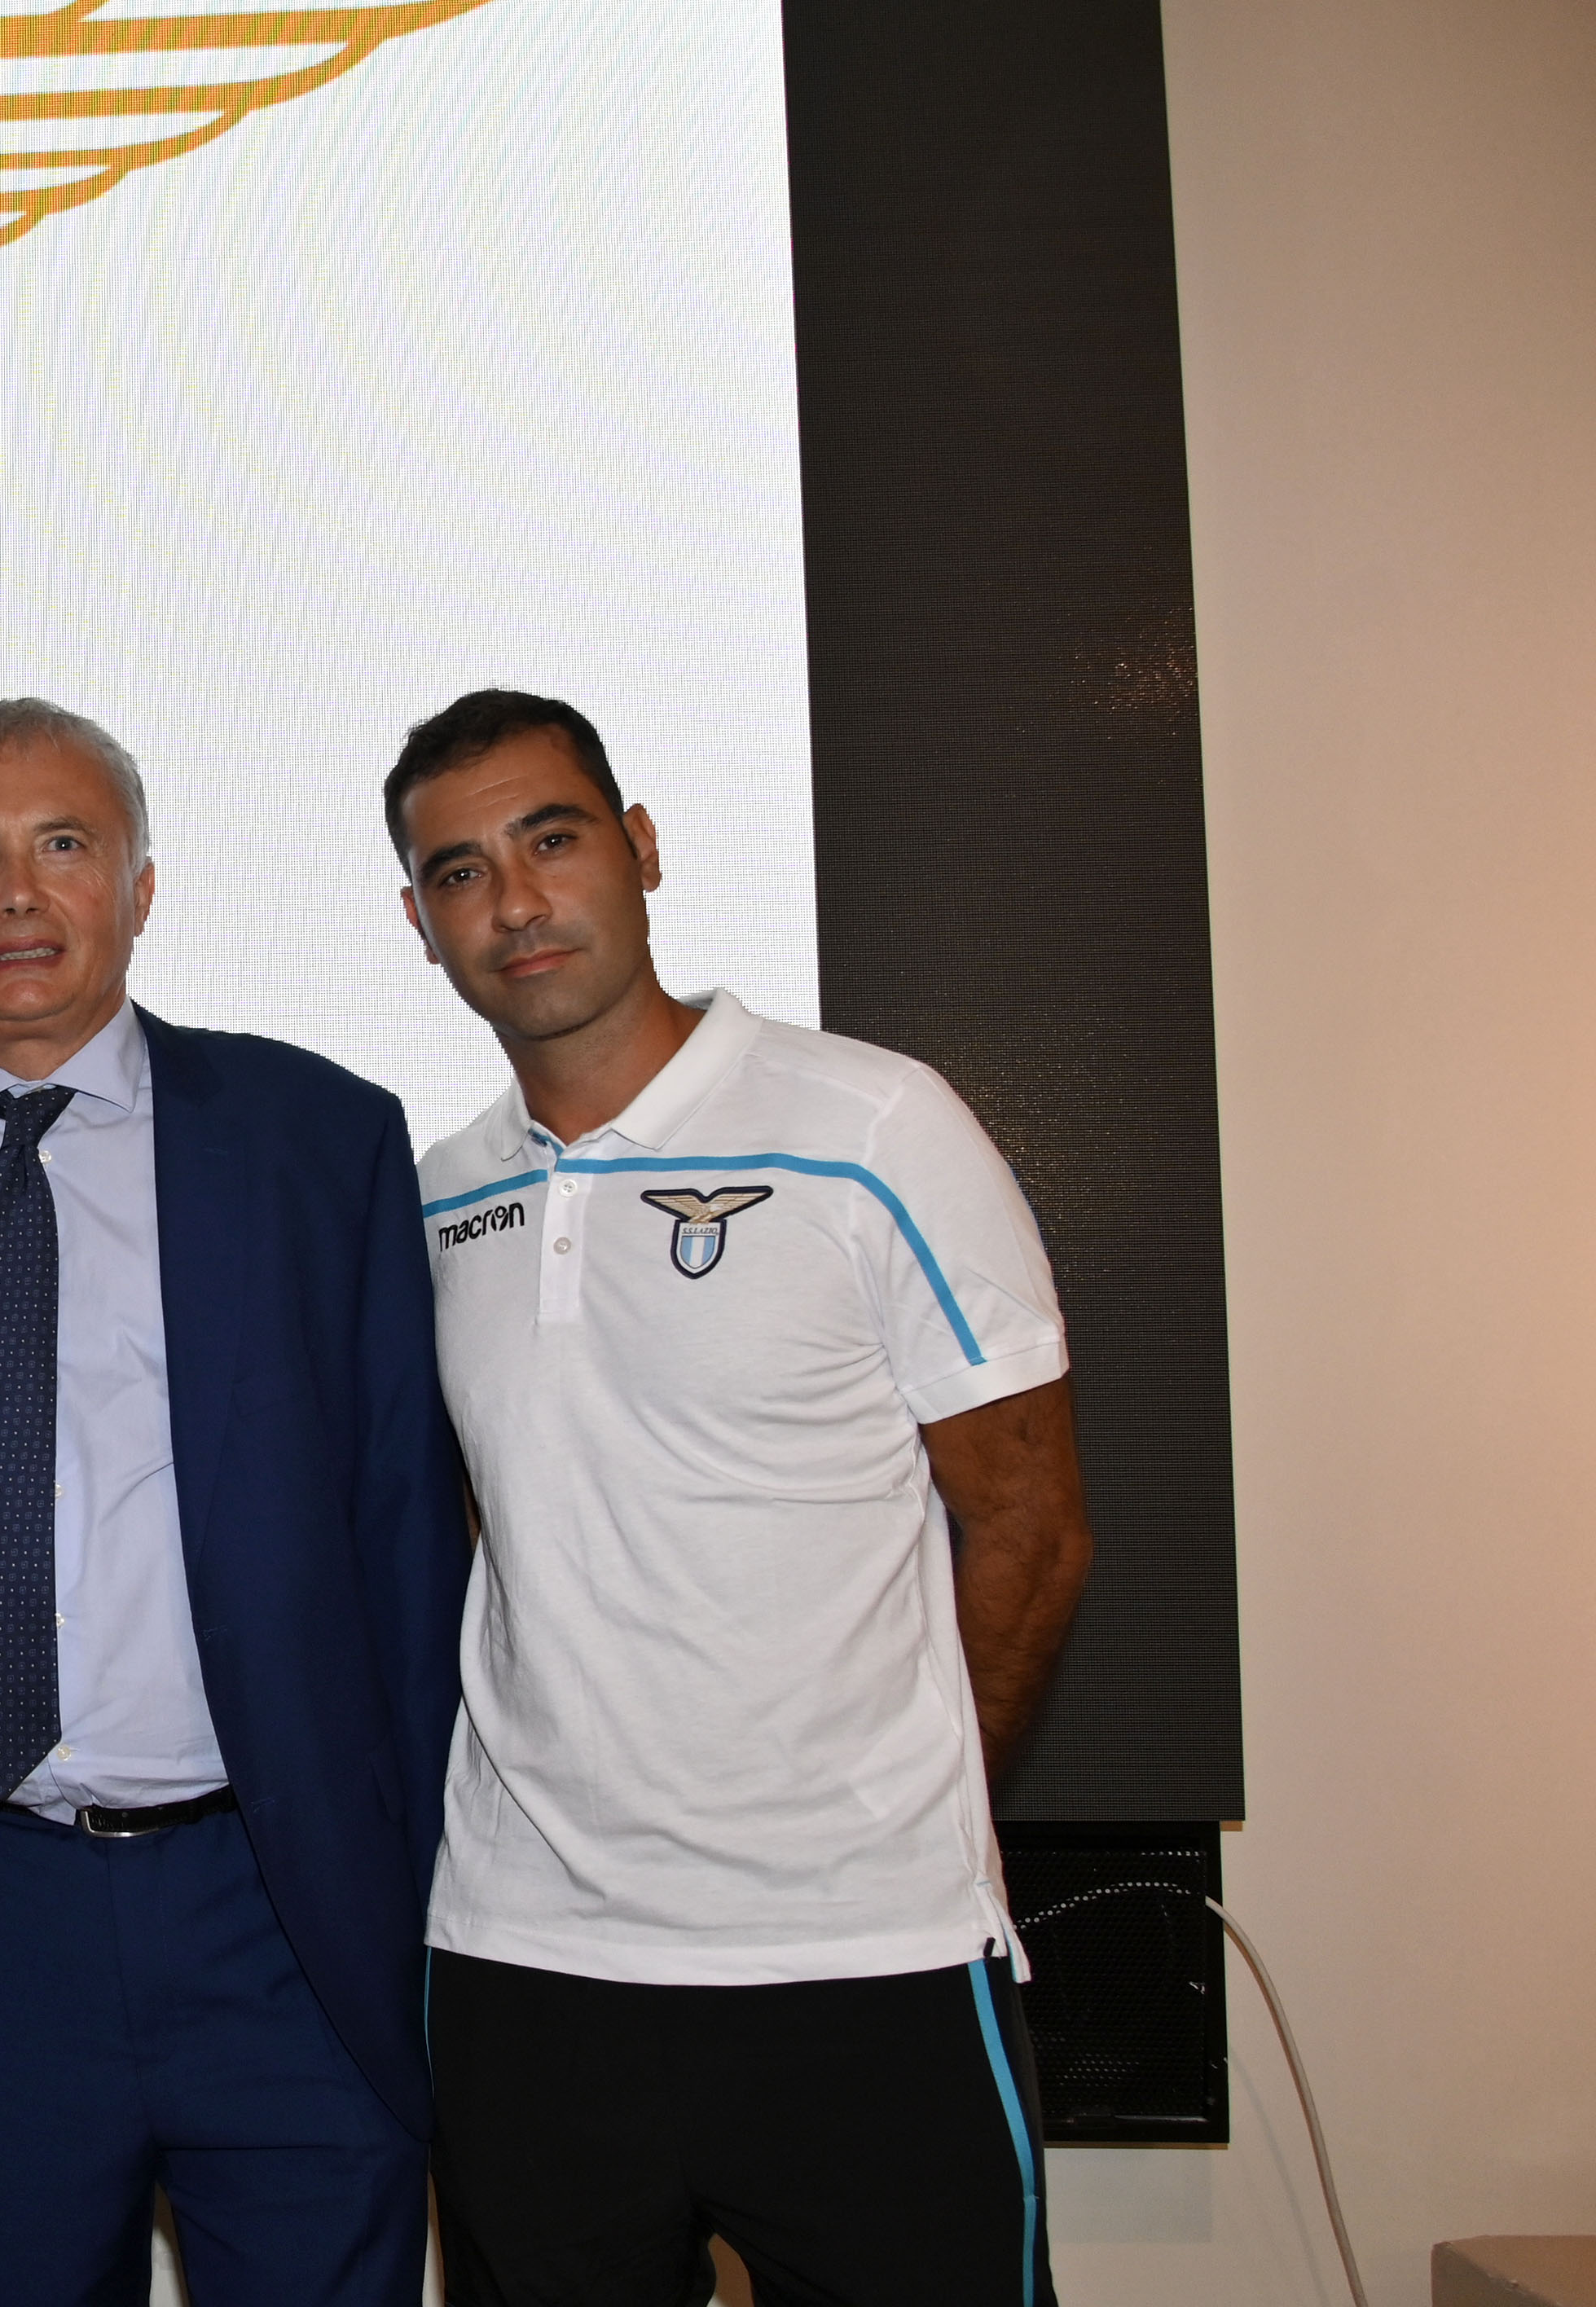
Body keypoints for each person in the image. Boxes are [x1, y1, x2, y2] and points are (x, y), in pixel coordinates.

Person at [0, 699, 468, 2307]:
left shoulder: (317, 1139)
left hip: (282, 1915)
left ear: (140, 887)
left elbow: (408, 1552)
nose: (17, 893)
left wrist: (421, 1894)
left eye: (63, 844)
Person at [389, 689, 1097, 2306]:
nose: (516, 902)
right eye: (460, 872)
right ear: (420, 923)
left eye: (552, 839)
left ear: (639, 848)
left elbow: (1031, 1527)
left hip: (861, 1961)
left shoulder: (875, 1126)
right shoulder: (436, 1199)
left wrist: (889, 1817)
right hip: (526, 1967)